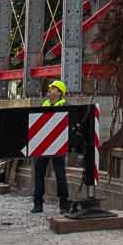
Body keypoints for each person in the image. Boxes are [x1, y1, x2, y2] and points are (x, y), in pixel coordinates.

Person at [31, 79, 71, 214]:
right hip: (43, 145)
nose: (50, 91)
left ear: (60, 93)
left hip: (58, 145)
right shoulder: (45, 104)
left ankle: (64, 204)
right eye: (50, 89)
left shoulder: (64, 105)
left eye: (53, 89)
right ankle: (37, 204)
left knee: (60, 175)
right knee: (39, 174)